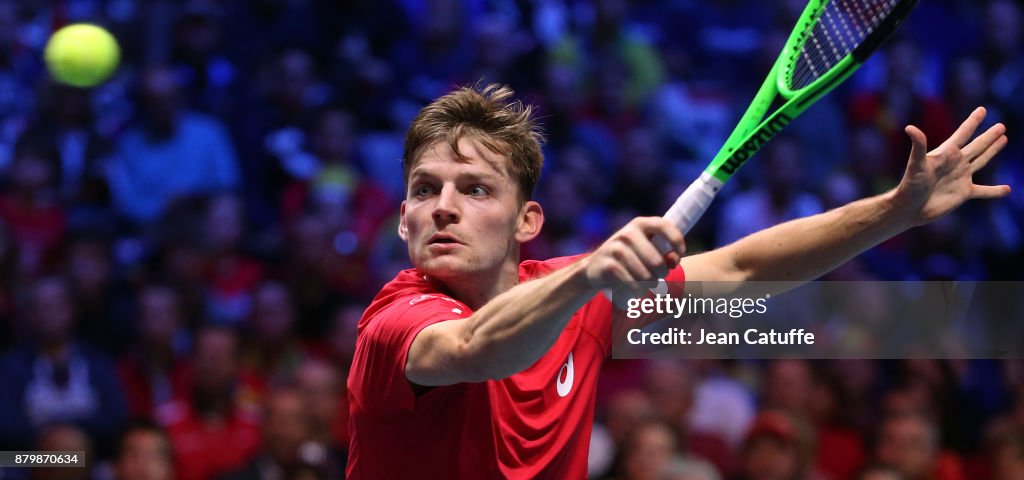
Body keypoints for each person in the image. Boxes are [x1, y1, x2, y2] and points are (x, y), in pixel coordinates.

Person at [347, 84, 1010, 478]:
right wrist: (588, 279)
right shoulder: (393, 324)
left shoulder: (584, 296)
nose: (443, 206)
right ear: (403, 217)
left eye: (475, 189)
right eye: (424, 188)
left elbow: (747, 268)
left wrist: (893, 211)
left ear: (527, 221)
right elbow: (473, 350)